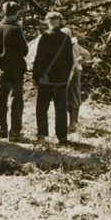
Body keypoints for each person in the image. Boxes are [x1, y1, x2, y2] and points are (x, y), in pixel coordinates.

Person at [33, 11, 73, 145]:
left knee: (41, 108)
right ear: (59, 21)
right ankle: (62, 137)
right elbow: (70, 61)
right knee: (61, 109)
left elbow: (39, 59)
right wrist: (65, 77)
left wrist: (36, 76)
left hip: (46, 80)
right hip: (61, 80)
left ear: (47, 21)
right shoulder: (65, 38)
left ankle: (42, 135)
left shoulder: (44, 37)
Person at [0, 1, 28, 141]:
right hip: (16, 70)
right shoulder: (16, 29)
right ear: (16, 13)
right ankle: (15, 132)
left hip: (1, 69)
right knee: (16, 100)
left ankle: (1, 130)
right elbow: (24, 51)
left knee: (1, 100)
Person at [62, 26, 91, 133]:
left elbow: (86, 55)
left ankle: (73, 123)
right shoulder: (63, 45)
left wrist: (78, 62)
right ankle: (72, 123)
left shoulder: (74, 46)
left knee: (73, 96)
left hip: (73, 72)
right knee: (69, 97)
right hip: (67, 73)